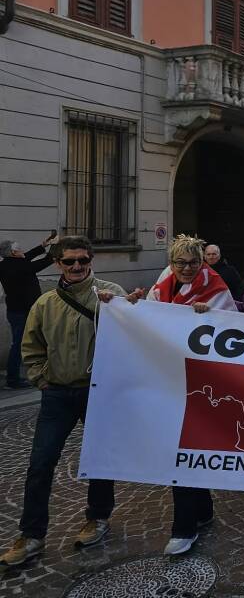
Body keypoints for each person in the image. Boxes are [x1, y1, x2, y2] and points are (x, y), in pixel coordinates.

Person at [0, 237, 139, 567]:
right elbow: (30, 345)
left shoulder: (110, 292)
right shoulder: (46, 302)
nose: (76, 266)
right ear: (58, 263)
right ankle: (31, 535)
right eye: (68, 261)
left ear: (90, 260)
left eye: (82, 260)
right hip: (58, 394)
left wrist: (123, 307)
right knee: (40, 464)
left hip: (98, 393)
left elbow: (135, 334)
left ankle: (98, 517)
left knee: (100, 459)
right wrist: (40, 378)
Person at [147, 235, 236, 555]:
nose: (186, 269)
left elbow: (231, 329)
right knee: (180, 448)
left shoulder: (217, 289)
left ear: (203, 262)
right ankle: (201, 508)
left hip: (203, 385)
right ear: (171, 264)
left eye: (193, 262)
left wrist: (208, 318)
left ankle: (184, 528)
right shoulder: (163, 287)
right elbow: (148, 320)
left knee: (184, 449)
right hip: (170, 381)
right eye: (180, 263)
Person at [0, 234, 58, 388]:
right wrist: (55, 247)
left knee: (20, 343)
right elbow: (46, 261)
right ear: (13, 253)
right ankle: (13, 380)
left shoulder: (5, 264)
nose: (22, 250)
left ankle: (25, 374)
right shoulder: (21, 266)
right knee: (20, 344)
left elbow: (27, 256)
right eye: (19, 249)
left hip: (14, 311)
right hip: (25, 311)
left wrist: (43, 245)